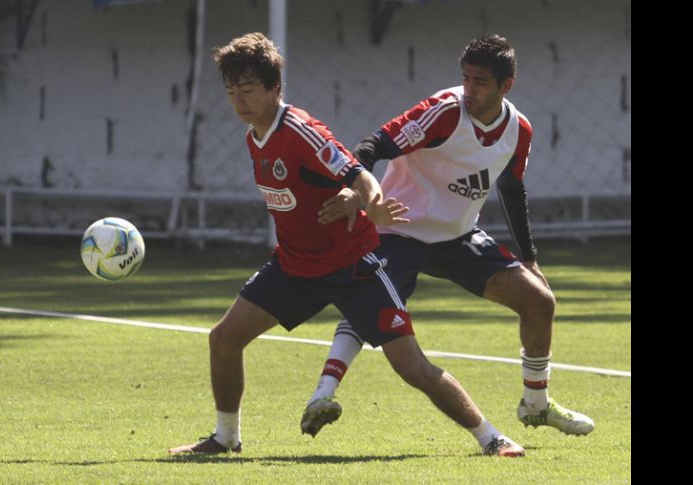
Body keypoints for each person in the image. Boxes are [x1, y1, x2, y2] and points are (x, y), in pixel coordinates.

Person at [169, 32, 525, 457]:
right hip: (295, 267)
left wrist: (368, 203)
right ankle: (225, 437)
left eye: (248, 91)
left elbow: (360, 173)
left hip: (353, 267)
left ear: (274, 88)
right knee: (224, 338)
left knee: (412, 366)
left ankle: (491, 437)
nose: (239, 101)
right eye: (231, 92)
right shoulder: (255, 136)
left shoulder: (303, 133)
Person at [301, 34, 595, 439]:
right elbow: (373, 144)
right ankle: (322, 395)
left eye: (480, 82)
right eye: (466, 78)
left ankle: (536, 405)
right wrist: (358, 191)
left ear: (506, 86)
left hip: (458, 237)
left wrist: (529, 259)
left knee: (540, 301)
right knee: (371, 307)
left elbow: (512, 187)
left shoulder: (518, 130)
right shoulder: (442, 112)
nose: (469, 90)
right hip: (398, 230)